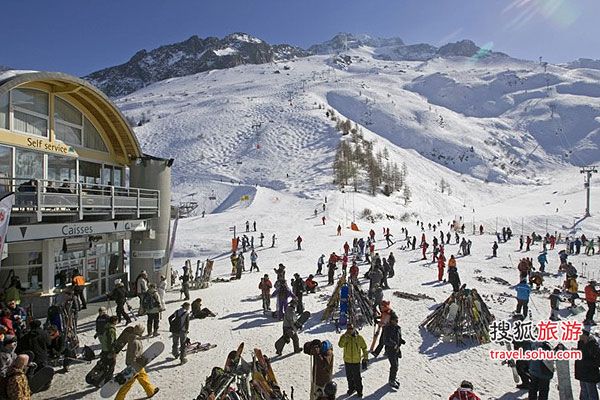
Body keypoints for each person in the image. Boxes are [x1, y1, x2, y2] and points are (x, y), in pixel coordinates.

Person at [115, 325, 159, 400]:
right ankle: (118, 399)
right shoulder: (135, 342)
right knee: (128, 383)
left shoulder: (133, 338)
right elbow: (133, 355)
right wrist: (134, 366)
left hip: (135, 364)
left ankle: (150, 391)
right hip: (135, 365)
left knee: (143, 377)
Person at [338, 323, 368, 398]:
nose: (350, 330)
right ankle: (351, 388)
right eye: (348, 329)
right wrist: (345, 337)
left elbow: (364, 347)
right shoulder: (344, 337)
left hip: (356, 361)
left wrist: (365, 357)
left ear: (354, 328)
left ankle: (359, 391)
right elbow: (340, 345)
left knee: (357, 377)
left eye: (351, 328)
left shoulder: (359, 338)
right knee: (349, 377)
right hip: (347, 360)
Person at [575, 329, 600, 400]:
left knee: (591, 394)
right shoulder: (580, 342)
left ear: (585, 335)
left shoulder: (593, 344)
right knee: (584, 393)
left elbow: (597, 361)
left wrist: (585, 361)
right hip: (581, 373)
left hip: (590, 374)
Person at [383, 312, 405, 389]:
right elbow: (386, 340)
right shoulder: (388, 328)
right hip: (390, 350)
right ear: (391, 320)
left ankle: (393, 378)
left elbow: (398, 336)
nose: (397, 321)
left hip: (397, 350)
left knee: (396, 365)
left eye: (397, 320)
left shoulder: (398, 328)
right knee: (394, 365)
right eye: (395, 320)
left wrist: (401, 340)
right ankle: (391, 380)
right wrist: (394, 344)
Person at [99, 316, 118, 381]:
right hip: (108, 350)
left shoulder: (106, 327)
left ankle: (102, 378)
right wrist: (112, 352)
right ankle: (108, 379)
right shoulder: (111, 330)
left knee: (105, 364)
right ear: (114, 321)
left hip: (104, 349)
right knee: (111, 364)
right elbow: (111, 342)